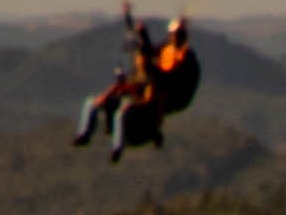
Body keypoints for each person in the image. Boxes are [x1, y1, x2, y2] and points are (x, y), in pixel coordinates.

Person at [73, 13, 202, 159]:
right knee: (91, 103)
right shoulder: (165, 50)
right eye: (173, 34)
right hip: (140, 93)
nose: (174, 37)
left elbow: (164, 78)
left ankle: (117, 149)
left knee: (120, 113)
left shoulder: (184, 59)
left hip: (164, 98)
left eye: (177, 34)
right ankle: (84, 134)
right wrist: (140, 32)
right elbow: (150, 52)